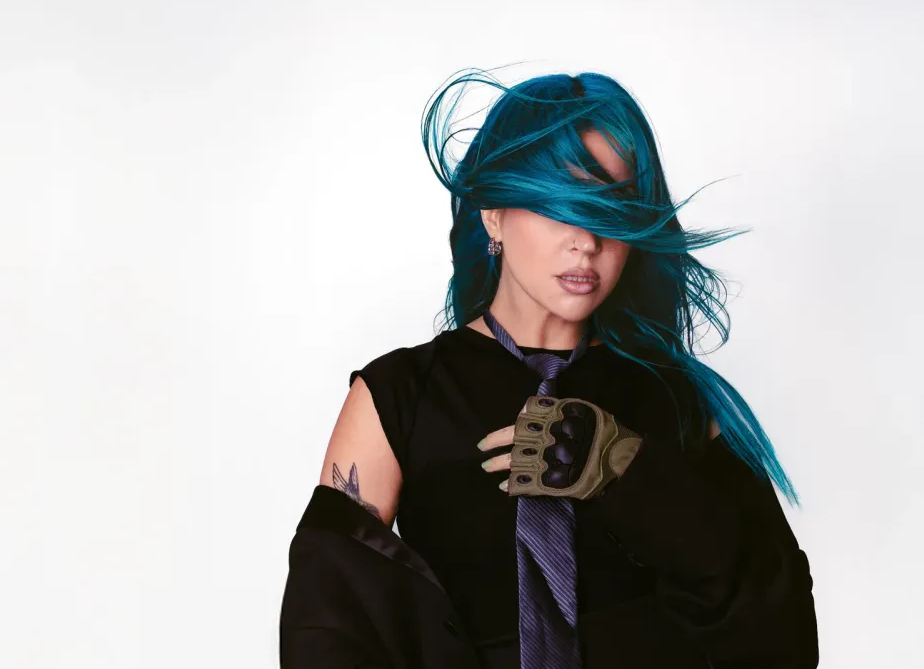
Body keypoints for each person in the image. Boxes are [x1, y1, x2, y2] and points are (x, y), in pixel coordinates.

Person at [279, 68, 818, 669]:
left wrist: (630, 474)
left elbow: (783, 635)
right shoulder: (397, 397)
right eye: (561, 205)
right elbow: (326, 633)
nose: (586, 241)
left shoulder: (679, 401)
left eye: (612, 209)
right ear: (492, 215)